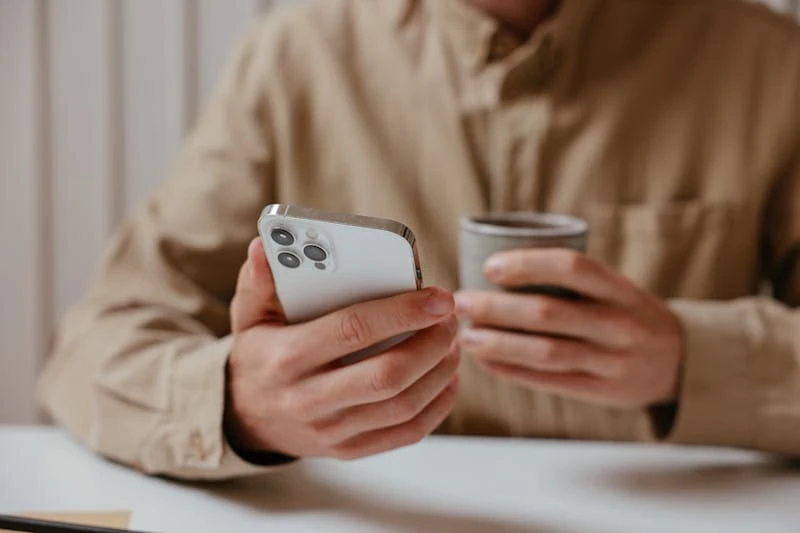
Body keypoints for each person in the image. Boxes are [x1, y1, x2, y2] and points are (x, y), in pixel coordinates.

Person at [38, 0, 800, 480]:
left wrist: (689, 357)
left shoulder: (770, 61)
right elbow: (95, 345)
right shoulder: (293, 61)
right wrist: (237, 403)